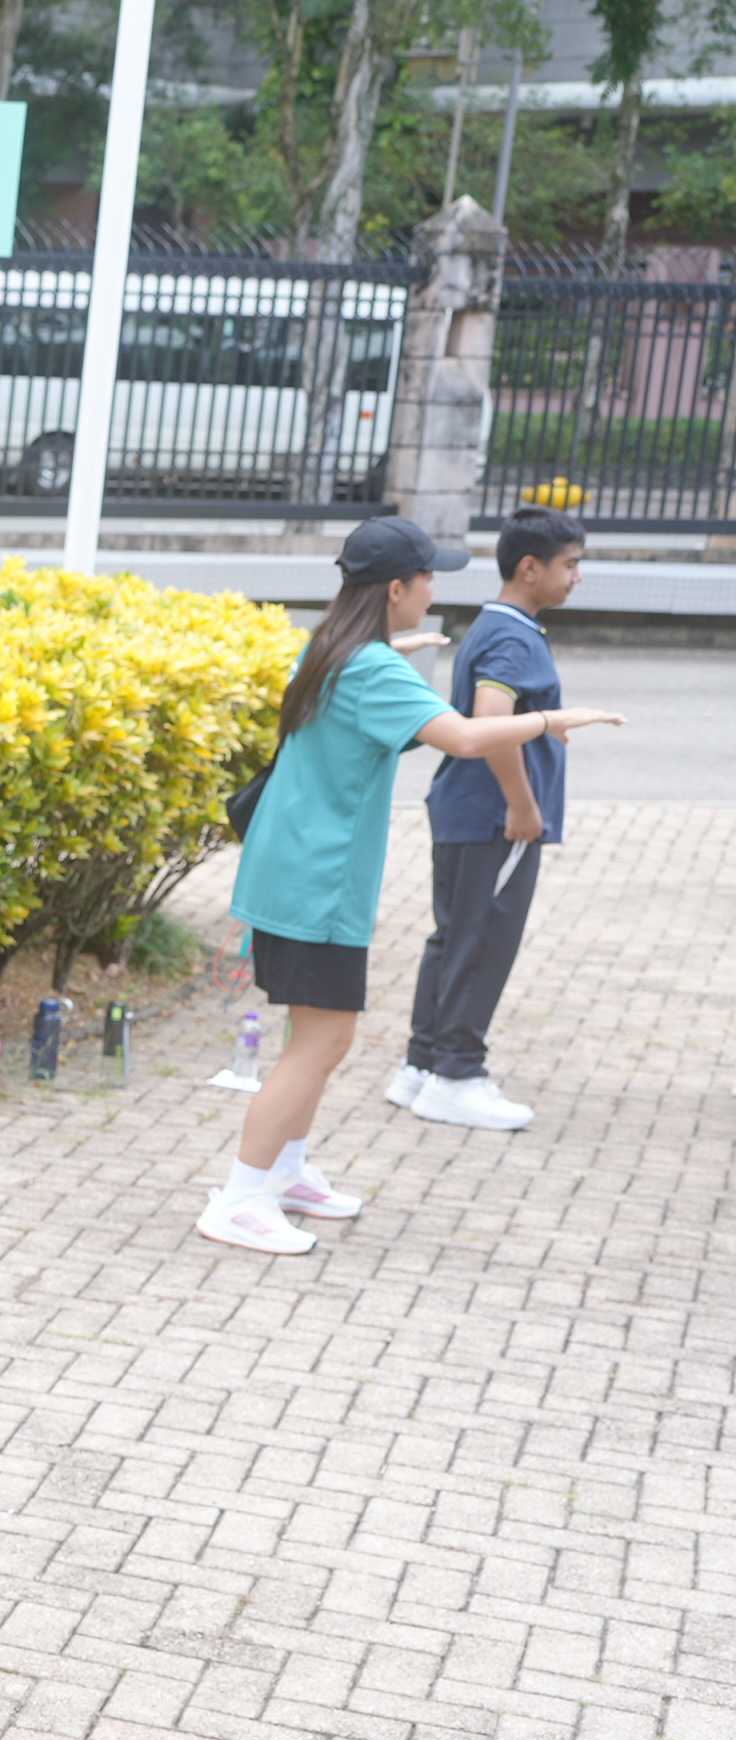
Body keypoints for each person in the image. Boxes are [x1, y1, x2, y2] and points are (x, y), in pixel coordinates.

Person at [204, 515, 623, 1255]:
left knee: (315, 1037)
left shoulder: (331, 649)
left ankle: (288, 1172)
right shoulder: (370, 669)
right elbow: (464, 736)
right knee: (321, 1041)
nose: (434, 588)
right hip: (317, 882)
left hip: (294, 869)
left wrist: (400, 648)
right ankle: (239, 1198)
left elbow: (368, 680)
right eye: (428, 577)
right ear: (395, 589)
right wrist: (553, 719)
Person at [390, 503, 592, 1133]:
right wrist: (522, 804)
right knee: (482, 941)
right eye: (570, 564)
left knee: (453, 938)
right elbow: (489, 719)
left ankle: (422, 1066)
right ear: (530, 568)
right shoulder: (511, 636)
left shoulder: (495, 625)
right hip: (493, 818)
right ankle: (456, 1075)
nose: (578, 576)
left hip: (467, 810)